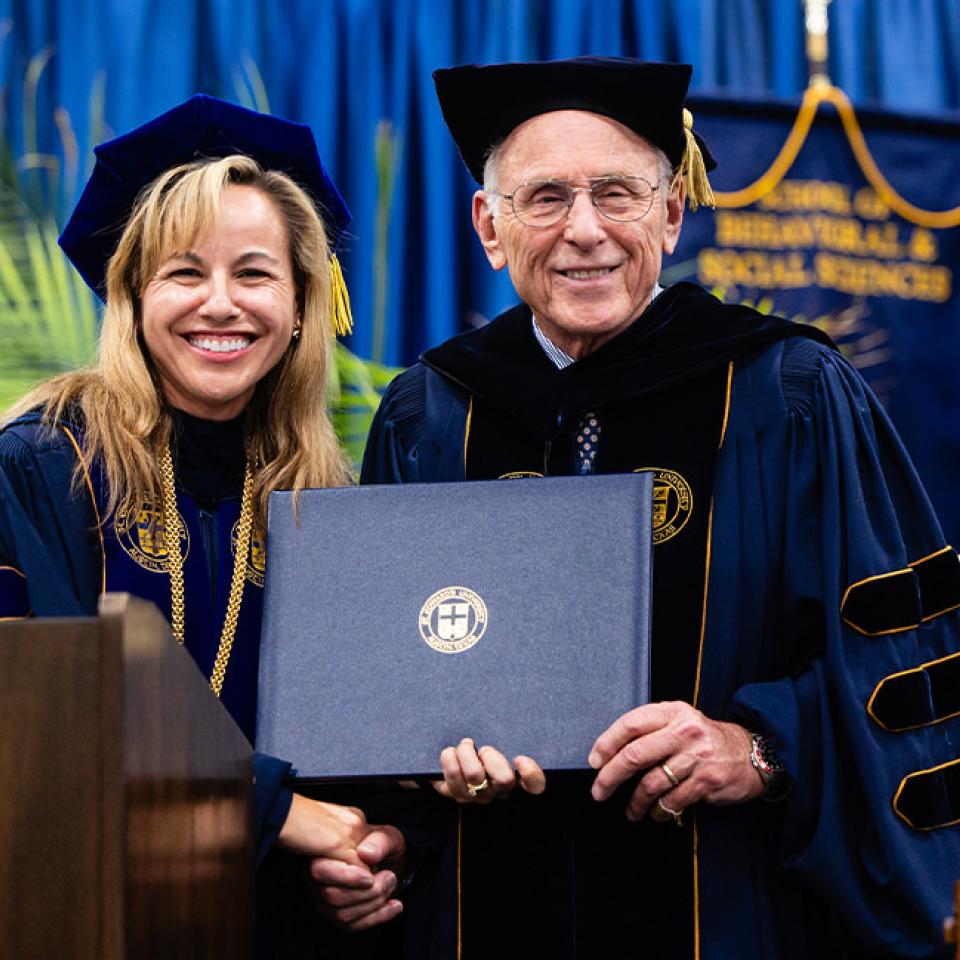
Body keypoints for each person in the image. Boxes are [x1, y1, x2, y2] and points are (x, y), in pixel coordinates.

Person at [361, 58, 960, 958]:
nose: (586, 230)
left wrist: (759, 747)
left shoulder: (788, 393)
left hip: (734, 909)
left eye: (618, 194)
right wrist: (428, 760)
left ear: (672, 213)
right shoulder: (432, 414)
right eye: (546, 197)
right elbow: (380, 680)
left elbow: (907, 664)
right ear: (490, 227)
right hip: (488, 906)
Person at [0, 96, 405, 947]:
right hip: (77, 909)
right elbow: (32, 716)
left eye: (254, 273)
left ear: (301, 305)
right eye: (185, 273)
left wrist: (367, 851)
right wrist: (277, 808)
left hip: (273, 924)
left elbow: (358, 758)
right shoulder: (40, 467)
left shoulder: (324, 504)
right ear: (134, 298)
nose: (220, 304)